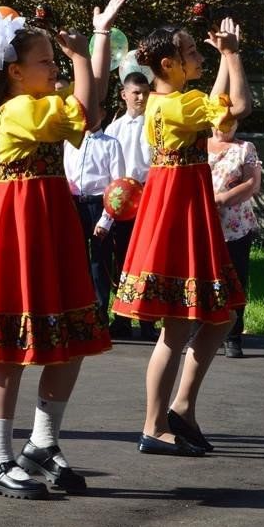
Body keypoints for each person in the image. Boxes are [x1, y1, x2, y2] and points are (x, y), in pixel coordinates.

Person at [0, 0, 124, 499]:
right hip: (17, 227)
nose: (54, 67)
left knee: (69, 340)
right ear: (16, 72)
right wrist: (85, 54)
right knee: (10, 348)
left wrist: (97, 39)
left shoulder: (33, 103)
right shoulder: (18, 111)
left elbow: (91, 109)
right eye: (45, 61)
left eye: (56, 61)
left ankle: (41, 443)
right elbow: (87, 110)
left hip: (46, 223)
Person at [112, 18, 250, 457]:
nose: (198, 56)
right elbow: (236, 109)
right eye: (191, 52)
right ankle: (154, 424)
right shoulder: (176, 105)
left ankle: (182, 408)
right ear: (169, 64)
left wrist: (225, 55)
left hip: (181, 205)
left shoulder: (170, 99)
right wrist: (231, 54)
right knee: (177, 326)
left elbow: (217, 104)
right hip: (178, 210)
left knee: (220, 315)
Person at [206, 113, 262, 358]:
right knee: (202, 280)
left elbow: (252, 184)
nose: (224, 127)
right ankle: (201, 331)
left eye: (230, 122)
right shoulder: (197, 145)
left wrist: (221, 200)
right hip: (202, 225)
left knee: (235, 280)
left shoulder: (245, 148)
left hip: (235, 226)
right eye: (219, 122)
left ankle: (233, 335)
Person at [104, 71, 156, 340]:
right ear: (124, 94)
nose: (141, 97)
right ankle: (122, 317)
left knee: (147, 260)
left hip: (148, 197)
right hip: (122, 202)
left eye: (145, 92)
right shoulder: (114, 129)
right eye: (135, 92)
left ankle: (147, 319)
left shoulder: (154, 123)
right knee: (122, 259)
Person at [64, 128, 125, 320]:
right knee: (76, 260)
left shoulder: (110, 143)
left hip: (99, 204)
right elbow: (66, 176)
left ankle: (100, 314)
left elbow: (118, 185)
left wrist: (107, 218)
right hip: (75, 204)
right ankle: (79, 312)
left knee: (100, 261)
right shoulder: (70, 142)